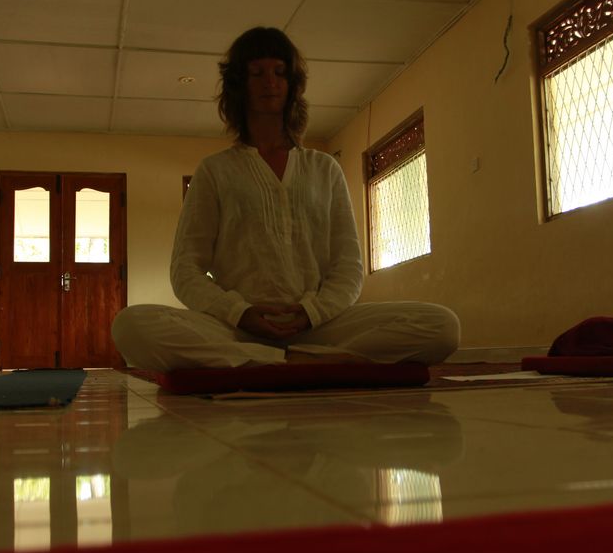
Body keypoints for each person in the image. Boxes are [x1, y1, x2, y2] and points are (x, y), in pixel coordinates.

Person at [111, 27, 459, 372]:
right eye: (257, 73)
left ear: (293, 84)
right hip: (236, 330)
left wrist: (312, 312)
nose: (270, 82)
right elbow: (185, 270)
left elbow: (348, 266)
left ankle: (278, 362)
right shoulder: (215, 171)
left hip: (320, 326)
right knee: (131, 326)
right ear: (239, 85)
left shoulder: (324, 169)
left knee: (442, 326)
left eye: (279, 72)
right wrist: (240, 313)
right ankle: (299, 363)